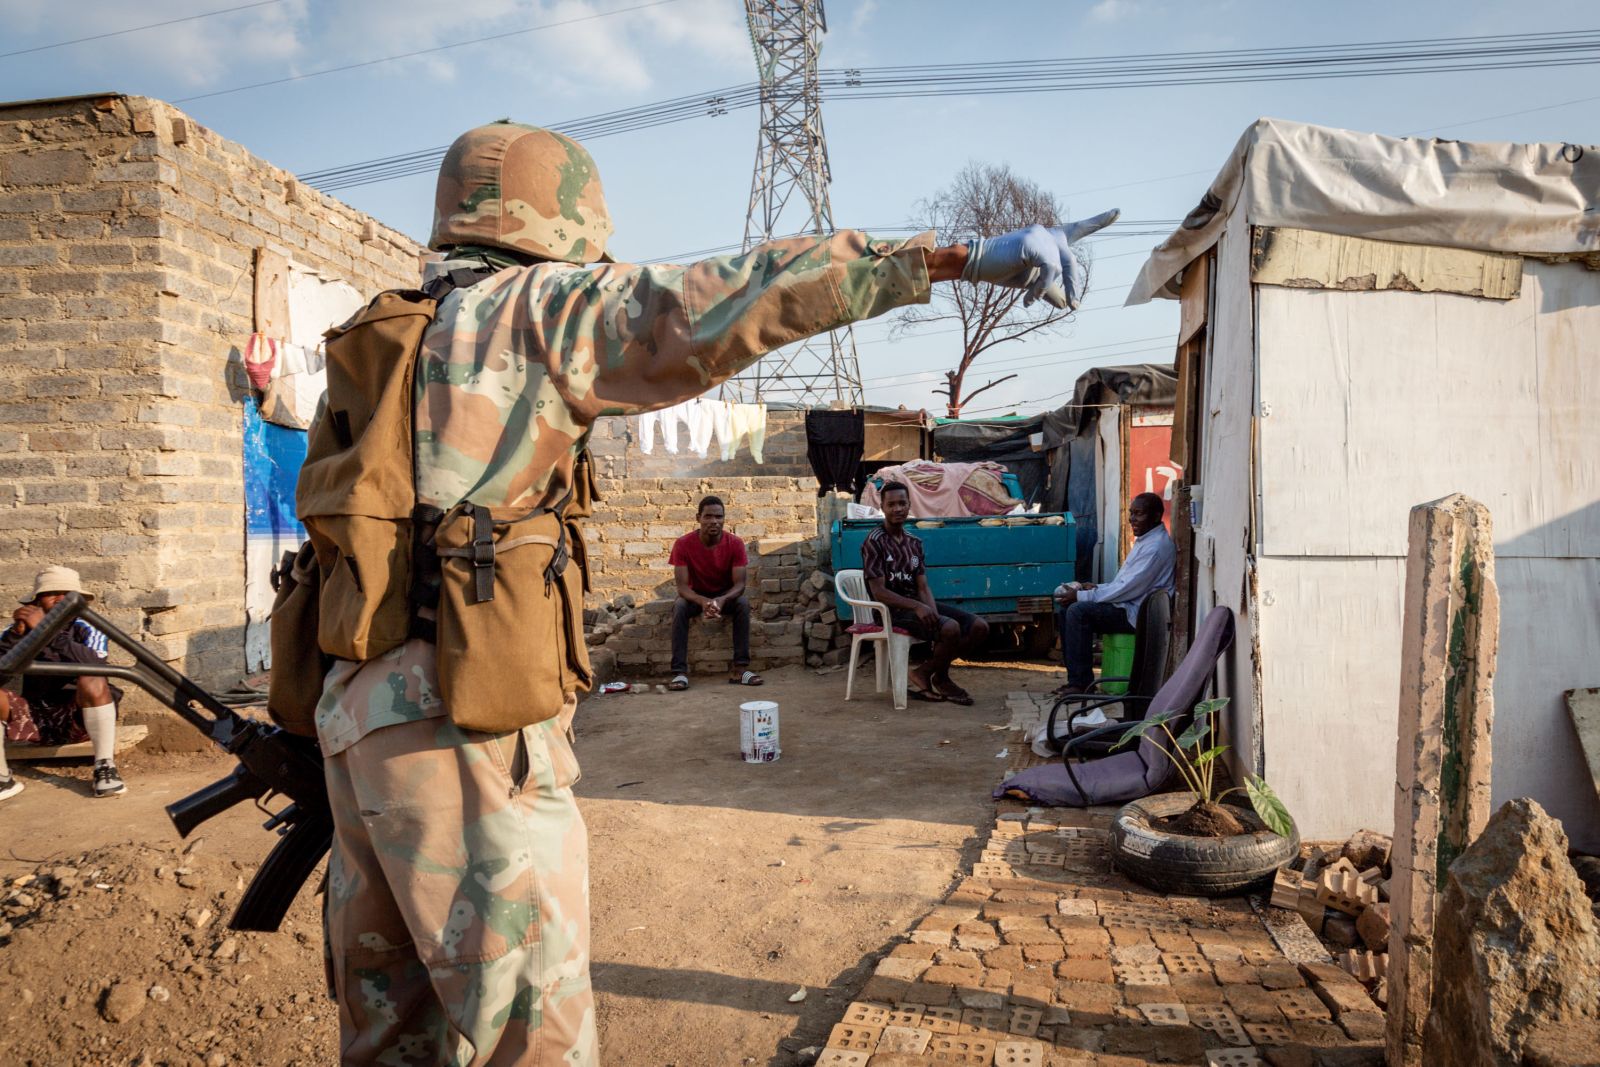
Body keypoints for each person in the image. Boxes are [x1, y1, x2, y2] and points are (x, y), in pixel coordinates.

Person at [315, 119, 1115, 1065]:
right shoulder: (533, 312)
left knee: (392, 1029)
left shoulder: (384, 329)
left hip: (356, 711)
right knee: (528, 1031)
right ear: (564, 223)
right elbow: (738, 295)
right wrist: (953, 257)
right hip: (467, 722)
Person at [860, 481, 991, 706]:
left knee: (980, 627)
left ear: (910, 504)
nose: (898, 509)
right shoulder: (874, 542)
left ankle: (928, 673)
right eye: (891, 504)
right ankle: (940, 677)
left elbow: (923, 587)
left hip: (915, 606)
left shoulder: (914, 543)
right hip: (891, 611)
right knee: (950, 628)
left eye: (902, 503)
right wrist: (918, 607)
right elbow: (879, 591)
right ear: (882, 506)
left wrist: (930, 611)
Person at [0, 566, 125, 800]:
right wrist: (16, 636)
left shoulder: (89, 626)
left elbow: (96, 663)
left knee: (92, 678)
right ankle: (2, 779)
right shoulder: (19, 629)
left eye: (66, 594)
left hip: (78, 718)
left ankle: (104, 768)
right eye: (51, 593)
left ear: (78, 601)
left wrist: (47, 632)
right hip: (35, 718)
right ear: (37, 601)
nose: (59, 599)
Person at [1054, 492, 1176, 694]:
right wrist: (1095, 588)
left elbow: (1128, 588)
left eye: (1139, 514)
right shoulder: (1146, 540)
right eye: (1131, 513)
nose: (1132, 519)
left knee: (1078, 612)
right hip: (1127, 605)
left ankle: (1081, 684)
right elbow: (1124, 583)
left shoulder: (1156, 547)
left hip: (1137, 615)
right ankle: (1075, 679)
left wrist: (1083, 596)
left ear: (1155, 516)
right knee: (1067, 609)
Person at [667, 495, 759, 690]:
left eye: (719, 516)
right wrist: (703, 602)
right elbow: (682, 588)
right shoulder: (683, 544)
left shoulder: (735, 543)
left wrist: (721, 600)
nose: (714, 521)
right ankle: (679, 672)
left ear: (724, 518)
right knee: (679, 606)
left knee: (742, 603)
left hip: (725, 595)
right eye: (708, 516)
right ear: (698, 518)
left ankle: (740, 669)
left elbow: (740, 585)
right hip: (695, 595)